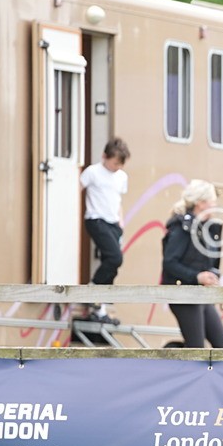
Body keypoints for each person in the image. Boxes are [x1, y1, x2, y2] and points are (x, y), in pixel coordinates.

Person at [161, 179, 223, 348]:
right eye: (212, 201)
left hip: (201, 294)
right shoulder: (182, 227)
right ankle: (168, 357)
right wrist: (196, 276)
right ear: (201, 203)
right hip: (182, 293)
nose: (215, 205)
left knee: (222, 344)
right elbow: (170, 262)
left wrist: (213, 279)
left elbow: (210, 263)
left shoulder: (209, 228)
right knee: (196, 347)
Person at [80, 137, 130, 322]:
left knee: (112, 265)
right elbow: (77, 188)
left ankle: (99, 309)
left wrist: (121, 222)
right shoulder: (92, 172)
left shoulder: (121, 177)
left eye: (120, 164)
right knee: (115, 257)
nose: (117, 167)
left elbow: (118, 201)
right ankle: (92, 288)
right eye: (115, 162)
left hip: (113, 222)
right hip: (96, 219)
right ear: (104, 157)